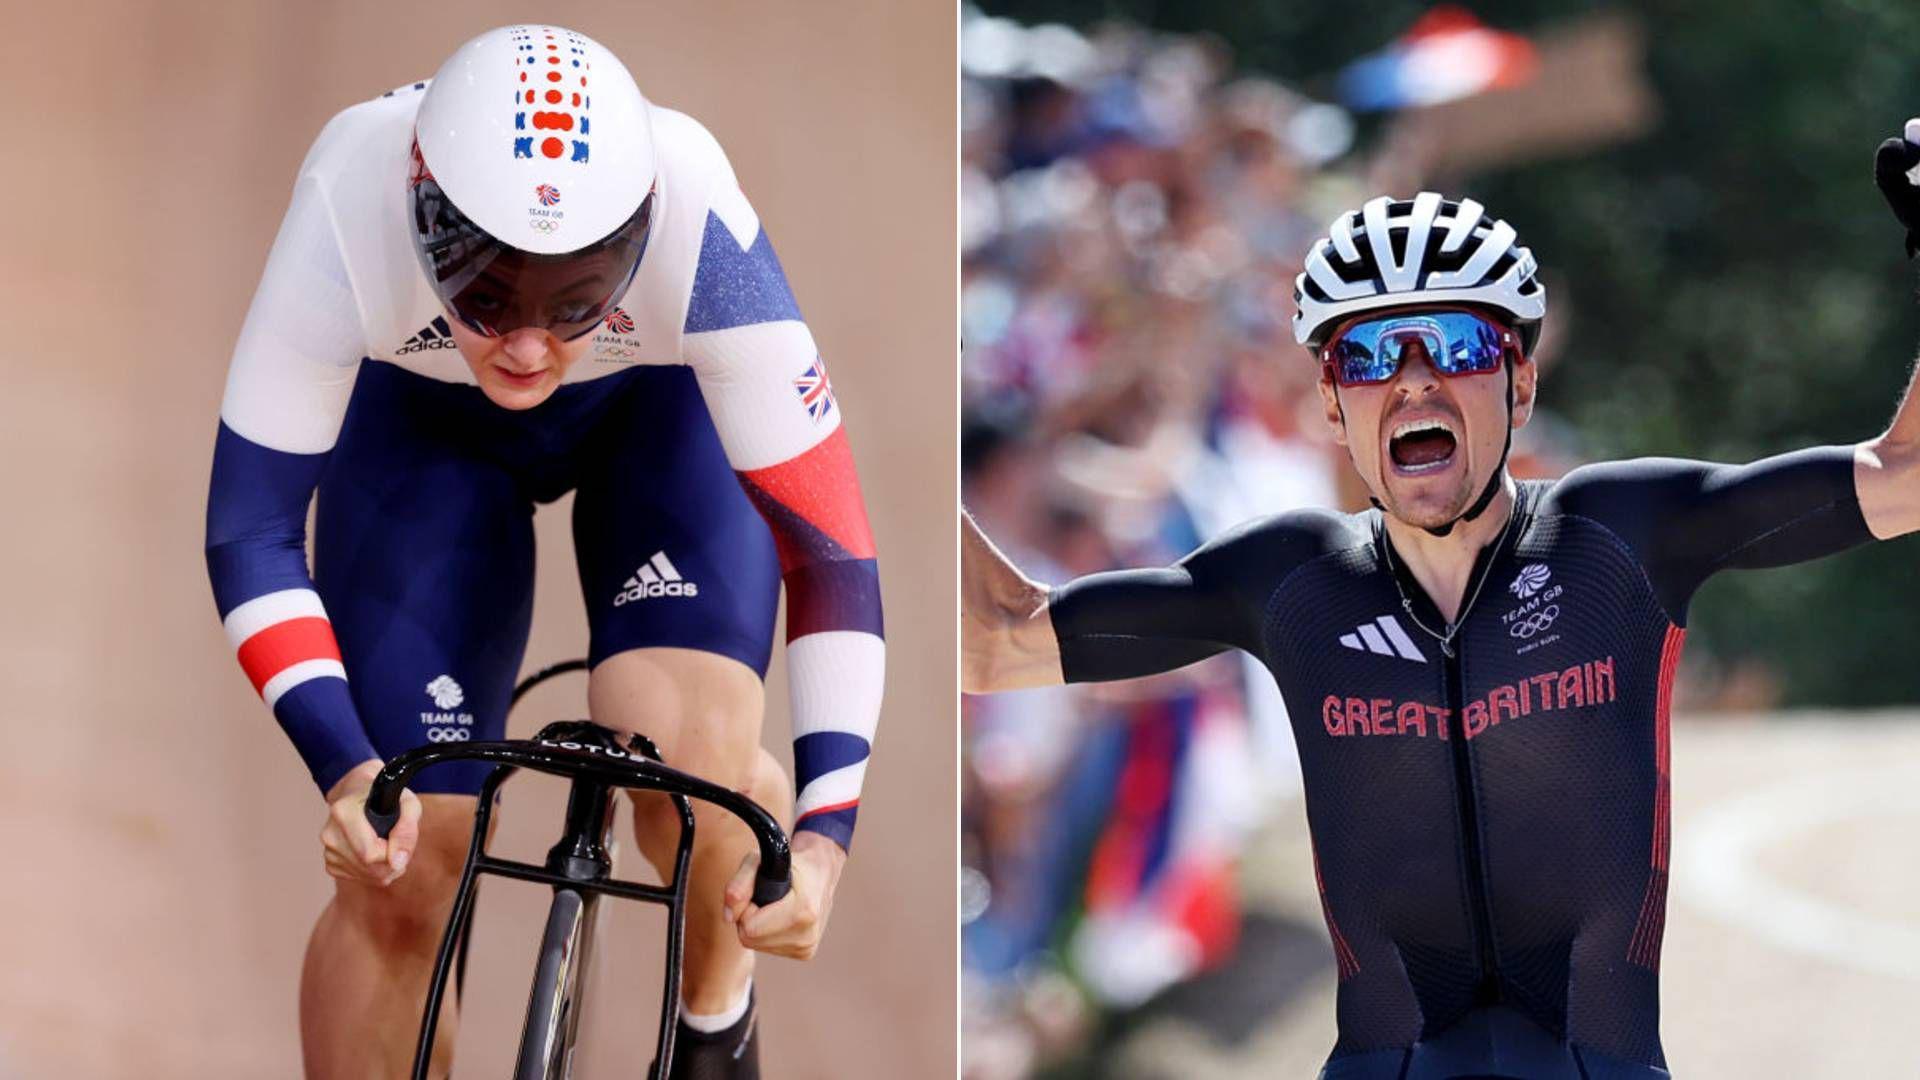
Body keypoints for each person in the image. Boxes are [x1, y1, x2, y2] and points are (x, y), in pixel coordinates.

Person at [963, 172, 1920, 1077]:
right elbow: (996, 641)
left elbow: (1903, 477)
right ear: (1334, 410)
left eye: (1456, 345)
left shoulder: (1622, 537)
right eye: (1370, 355)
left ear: (1522, 384)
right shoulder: (1288, 579)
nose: (1414, 382)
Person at [204, 24, 884, 1079]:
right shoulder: (351, 196)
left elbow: (832, 552)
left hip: (650, 416)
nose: (528, 348)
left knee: (696, 772)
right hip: (423, 431)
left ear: (642, 231)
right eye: (484, 295)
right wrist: (346, 772)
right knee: (405, 861)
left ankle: (713, 1014)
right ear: (422, 216)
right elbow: (249, 530)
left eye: (576, 303)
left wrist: (828, 837)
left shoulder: (699, 213)